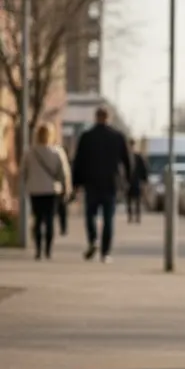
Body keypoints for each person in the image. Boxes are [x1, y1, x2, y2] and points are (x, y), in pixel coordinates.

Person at [71, 106, 131, 262]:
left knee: (90, 214)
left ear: (96, 117)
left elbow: (78, 161)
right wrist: (128, 181)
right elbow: (127, 160)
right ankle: (105, 253)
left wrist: (75, 183)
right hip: (110, 183)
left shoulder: (87, 136)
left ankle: (93, 240)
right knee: (108, 219)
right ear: (108, 118)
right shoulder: (117, 136)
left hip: (91, 183)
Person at [19, 122, 72, 261]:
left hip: (35, 189)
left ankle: (38, 250)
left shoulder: (29, 152)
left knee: (37, 219)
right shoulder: (57, 152)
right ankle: (48, 250)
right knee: (49, 220)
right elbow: (64, 173)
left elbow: (22, 172)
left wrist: (24, 186)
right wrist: (67, 189)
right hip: (51, 190)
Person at [127, 139, 149, 224]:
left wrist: (144, 181)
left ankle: (137, 216)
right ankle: (130, 216)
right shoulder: (126, 157)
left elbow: (144, 169)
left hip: (136, 181)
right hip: (128, 181)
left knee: (137, 200)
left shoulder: (139, 157)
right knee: (129, 200)